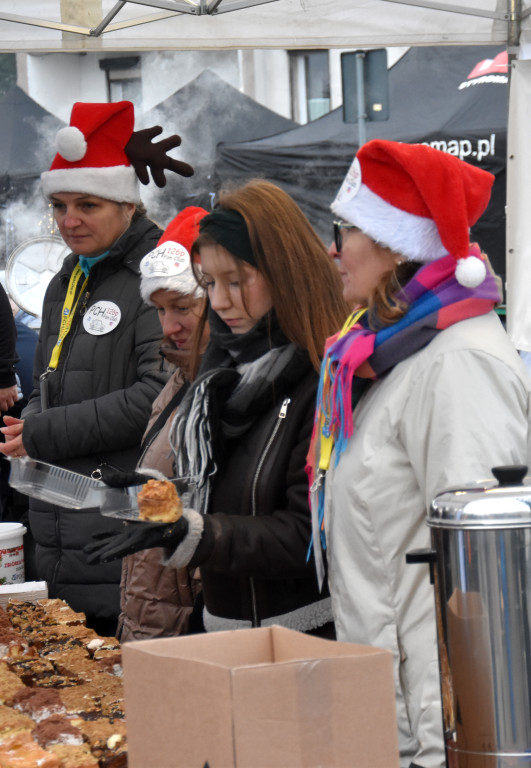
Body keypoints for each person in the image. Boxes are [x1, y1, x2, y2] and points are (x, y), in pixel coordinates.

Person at [305, 139, 531, 768]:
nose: (332, 249)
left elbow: (483, 585)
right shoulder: (399, 352)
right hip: (399, 709)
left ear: (396, 243)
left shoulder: (456, 362)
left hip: (439, 728)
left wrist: (459, 742)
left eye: (344, 230)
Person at [85, 178, 349, 637]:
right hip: (223, 631)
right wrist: (161, 494)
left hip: (305, 639)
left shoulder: (325, 378)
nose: (221, 301)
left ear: (283, 270)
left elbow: (310, 536)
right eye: (210, 283)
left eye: (236, 281)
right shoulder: (219, 374)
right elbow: (226, 491)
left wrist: (197, 533)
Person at [0, 100, 194, 635]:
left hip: (124, 532)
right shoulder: (66, 276)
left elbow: (159, 395)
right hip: (58, 530)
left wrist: (40, 431)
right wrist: (31, 422)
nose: (69, 220)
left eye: (87, 204)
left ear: (128, 205)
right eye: (59, 206)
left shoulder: (157, 272)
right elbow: (46, 378)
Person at [115, 205, 209, 641]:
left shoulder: (225, 388)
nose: (169, 326)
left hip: (188, 627)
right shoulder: (176, 382)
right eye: (159, 310)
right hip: (154, 614)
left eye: (183, 307)